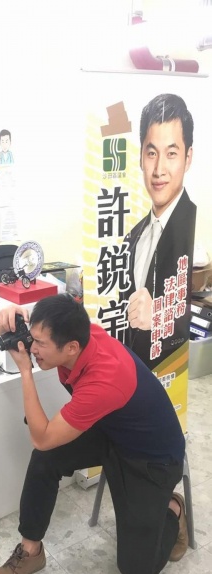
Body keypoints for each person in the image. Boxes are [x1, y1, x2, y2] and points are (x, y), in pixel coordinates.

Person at [0, 294, 187, 574]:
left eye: (39, 344)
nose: (31, 349)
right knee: (45, 459)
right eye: (32, 338)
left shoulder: (105, 379)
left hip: (152, 458)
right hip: (112, 431)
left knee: (137, 570)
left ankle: (173, 509)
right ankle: (30, 551)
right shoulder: (74, 330)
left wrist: (25, 371)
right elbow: (2, 335)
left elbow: (41, 436)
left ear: (71, 347)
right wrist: (8, 318)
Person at [120, 93, 196, 371]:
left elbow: (189, 313)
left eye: (171, 154)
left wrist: (159, 317)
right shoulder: (133, 236)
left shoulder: (191, 226)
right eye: (151, 153)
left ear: (188, 158)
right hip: (129, 372)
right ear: (141, 157)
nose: (159, 169)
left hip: (167, 375)